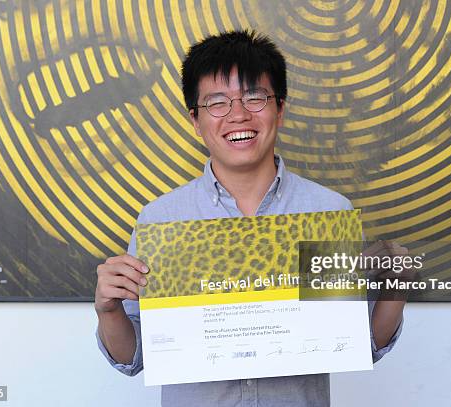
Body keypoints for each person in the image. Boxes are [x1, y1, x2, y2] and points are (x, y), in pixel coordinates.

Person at [95, 30, 405, 407]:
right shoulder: (161, 220)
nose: (238, 114)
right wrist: (109, 310)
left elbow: (360, 345)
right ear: (195, 119)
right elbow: (135, 358)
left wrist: (395, 289)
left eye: (255, 97)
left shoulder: (328, 212)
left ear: (281, 108)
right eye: (217, 103)